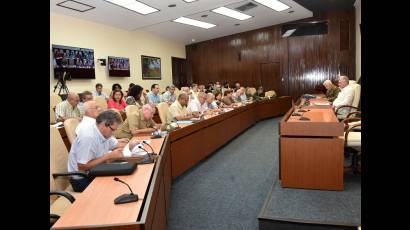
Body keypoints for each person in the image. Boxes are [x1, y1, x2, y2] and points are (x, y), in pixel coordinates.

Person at [67, 110, 129, 192]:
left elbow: (116, 145)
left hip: (95, 171)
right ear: (104, 125)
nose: (113, 133)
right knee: (116, 189)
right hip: (82, 179)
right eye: (113, 130)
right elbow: (81, 166)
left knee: (125, 177)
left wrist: (131, 145)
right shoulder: (88, 137)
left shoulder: (104, 133)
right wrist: (108, 156)